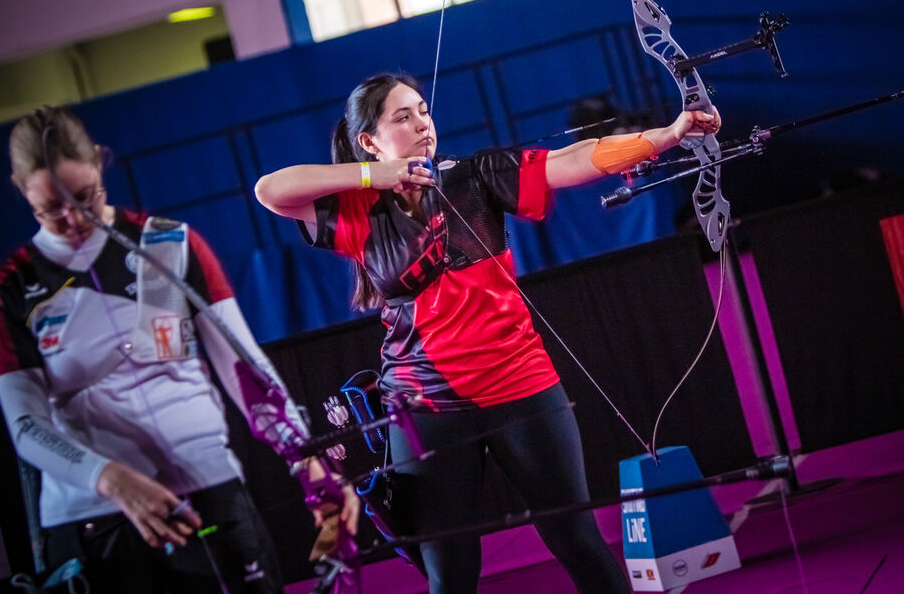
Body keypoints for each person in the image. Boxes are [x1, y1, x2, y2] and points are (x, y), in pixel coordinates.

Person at [254, 72, 721, 593]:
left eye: (424, 111)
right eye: (402, 117)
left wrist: (667, 134)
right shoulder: (357, 210)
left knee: (577, 537)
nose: (421, 124)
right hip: (425, 405)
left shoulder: (474, 176)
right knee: (450, 574)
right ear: (369, 141)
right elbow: (269, 190)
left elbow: (571, 159)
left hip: (521, 385)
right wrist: (374, 177)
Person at [0, 106, 359, 593]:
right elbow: (27, 426)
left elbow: (244, 366)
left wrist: (308, 463)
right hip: (97, 519)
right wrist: (112, 481)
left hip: (208, 489)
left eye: (84, 198)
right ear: (20, 189)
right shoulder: (12, 287)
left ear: (99, 163)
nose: (74, 220)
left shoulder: (166, 245)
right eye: (51, 210)